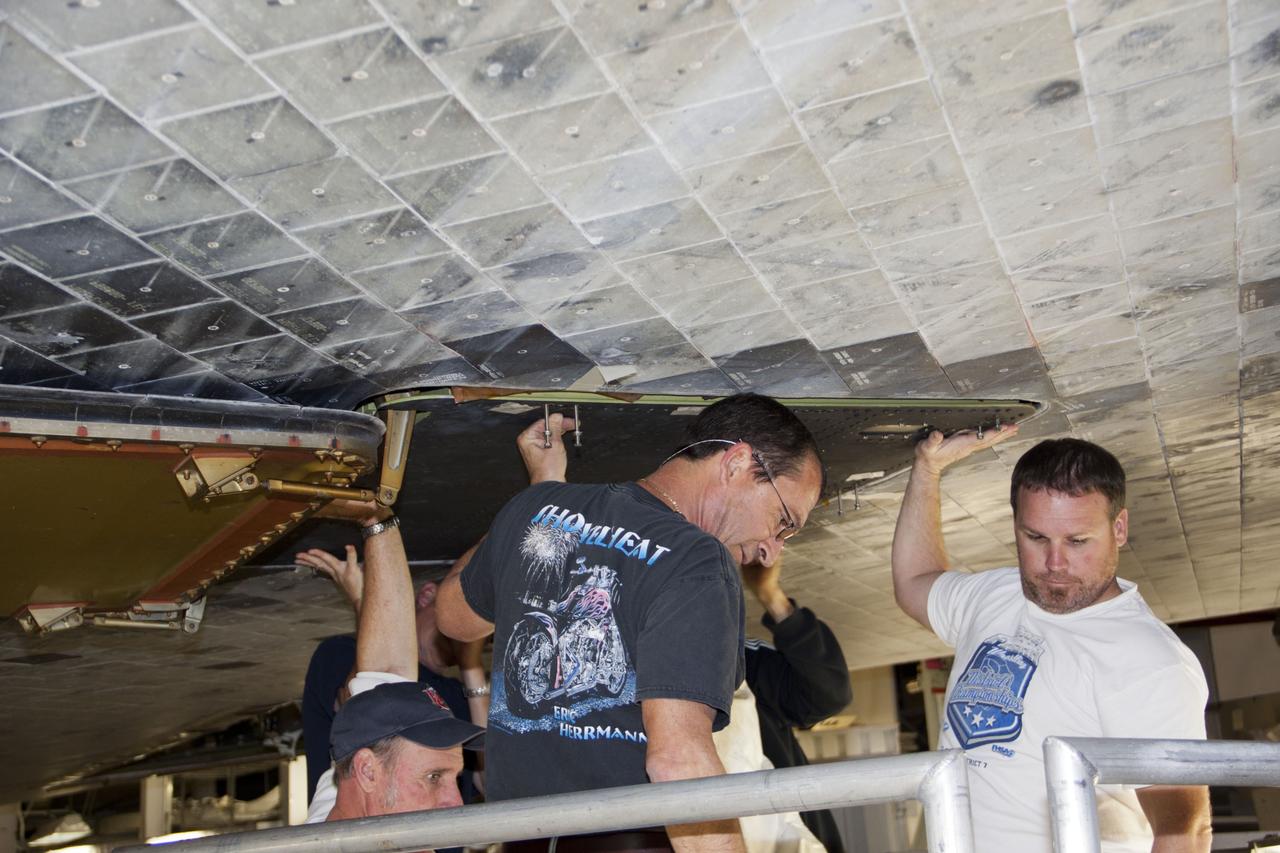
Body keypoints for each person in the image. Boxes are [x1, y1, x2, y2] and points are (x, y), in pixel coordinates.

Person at [437, 393, 825, 853]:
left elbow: (453, 617)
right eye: (783, 521)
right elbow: (679, 762)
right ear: (738, 462)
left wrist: (540, 495)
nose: (771, 549)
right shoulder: (698, 561)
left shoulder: (539, 508)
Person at [891, 428, 1212, 853]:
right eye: (1036, 537)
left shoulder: (1150, 661)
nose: (1054, 563)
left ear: (1118, 528)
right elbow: (914, 581)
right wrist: (928, 470)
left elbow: (1185, 833)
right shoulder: (996, 595)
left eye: (1077, 541)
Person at [301, 501, 485, 827]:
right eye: (434, 777)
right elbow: (388, 671)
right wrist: (379, 522)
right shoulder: (352, 793)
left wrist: (378, 523)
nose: (455, 804)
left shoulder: (352, 796)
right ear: (368, 772)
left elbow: (387, 670)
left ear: (367, 771)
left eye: (449, 778)